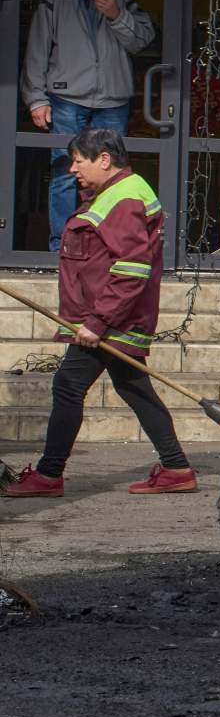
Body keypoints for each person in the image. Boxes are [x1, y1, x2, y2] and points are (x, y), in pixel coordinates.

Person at [3, 128, 194, 497]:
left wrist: (96, 322)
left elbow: (132, 268)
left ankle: (48, 475)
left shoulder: (122, 199)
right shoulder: (117, 192)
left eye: (79, 160)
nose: (73, 168)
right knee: (133, 387)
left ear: (104, 159)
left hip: (113, 318)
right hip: (117, 315)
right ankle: (176, 467)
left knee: (68, 386)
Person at [23, 0, 156, 252]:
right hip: (66, 98)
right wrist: (36, 98)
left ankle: (100, 244)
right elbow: (37, 51)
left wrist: (115, 14)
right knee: (66, 173)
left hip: (112, 100)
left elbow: (142, 40)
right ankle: (62, 247)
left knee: (108, 175)